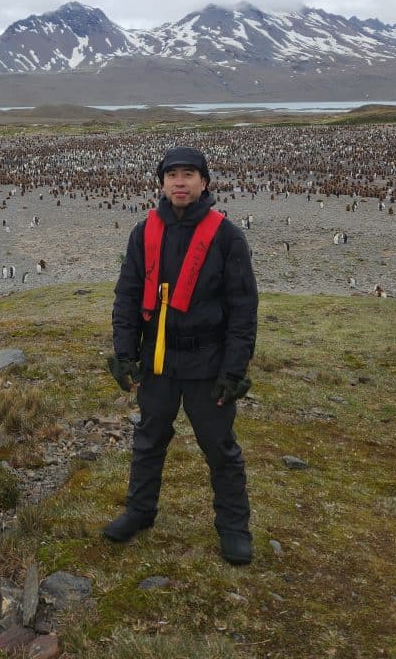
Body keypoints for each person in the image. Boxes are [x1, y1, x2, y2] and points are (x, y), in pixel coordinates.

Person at [104, 146, 258, 564]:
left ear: (204, 182)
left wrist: (235, 368)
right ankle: (139, 512)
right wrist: (124, 353)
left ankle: (233, 528)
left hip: (208, 363)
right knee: (149, 439)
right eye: (172, 175)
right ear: (162, 183)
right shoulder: (145, 232)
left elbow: (244, 308)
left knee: (219, 446)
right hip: (157, 360)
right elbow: (128, 296)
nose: (179, 182)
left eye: (188, 174)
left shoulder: (226, 236)